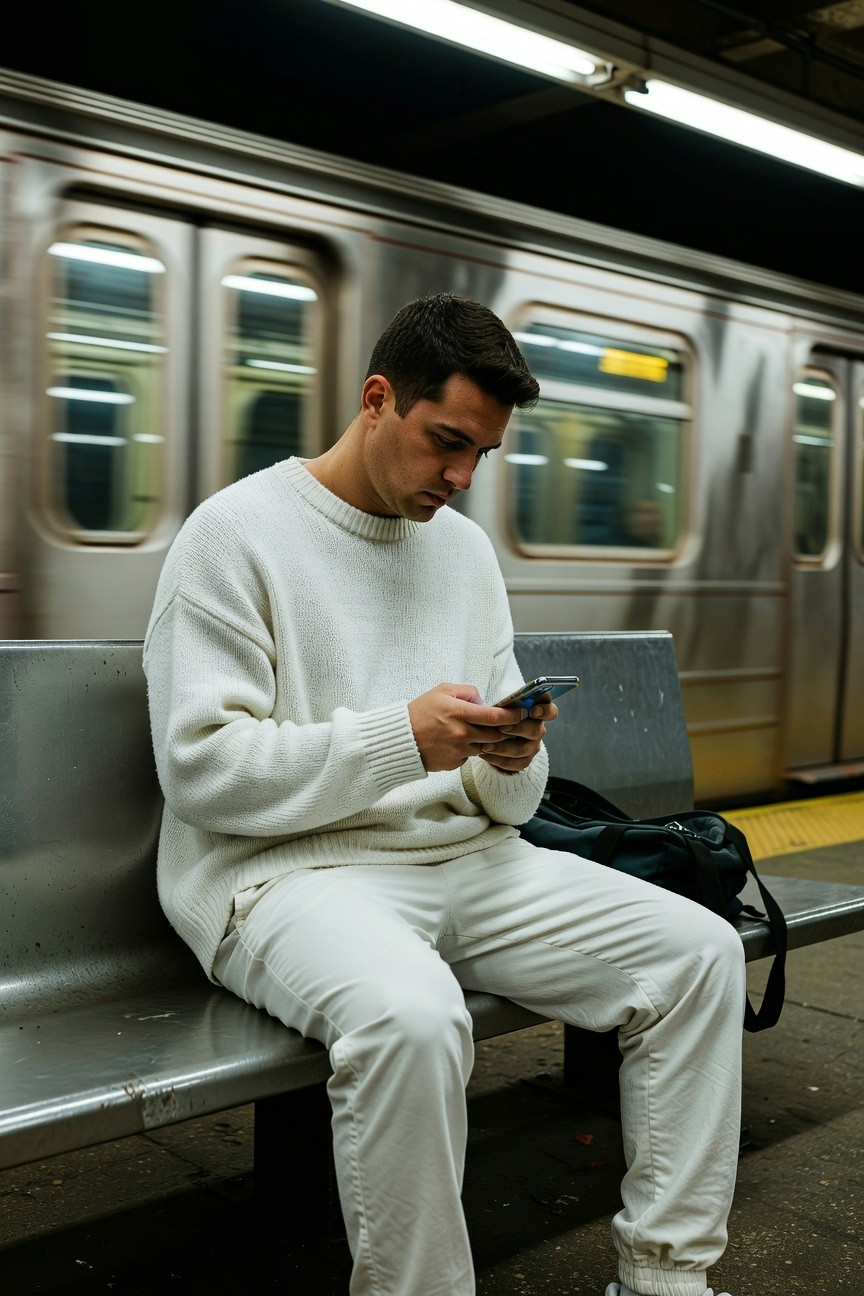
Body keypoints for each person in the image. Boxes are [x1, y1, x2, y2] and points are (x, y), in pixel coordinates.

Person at [144, 294, 743, 1296]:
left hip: (471, 857)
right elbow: (202, 770)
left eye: (483, 455)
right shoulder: (234, 535)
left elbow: (510, 804)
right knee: (415, 1020)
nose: (461, 479)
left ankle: (666, 1279)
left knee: (700, 955)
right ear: (378, 399)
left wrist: (510, 759)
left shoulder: (463, 553)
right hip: (281, 875)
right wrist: (402, 739)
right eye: (447, 442)